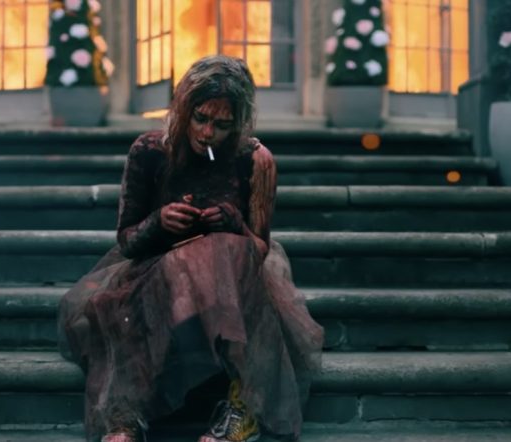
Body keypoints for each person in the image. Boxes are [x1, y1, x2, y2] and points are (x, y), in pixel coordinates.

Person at [58, 55, 324, 442]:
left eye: (222, 125)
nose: (207, 133)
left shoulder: (255, 160)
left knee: (231, 251)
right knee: (126, 303)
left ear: (238, 122)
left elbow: (259, 248)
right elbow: (127, 240)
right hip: (157, 274)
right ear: (184, 109)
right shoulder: (150, 150)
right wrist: (159, 222)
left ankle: (242, 408)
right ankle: (126, 416)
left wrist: (234, 224)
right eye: (200, 118)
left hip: (232, 282)